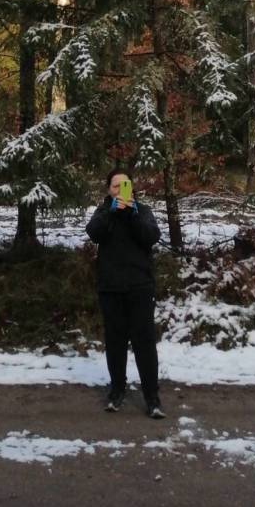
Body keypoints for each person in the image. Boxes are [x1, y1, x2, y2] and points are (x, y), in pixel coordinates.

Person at [85, 168, 165, 418]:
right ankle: (117, 390)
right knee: (115, 342)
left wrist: (132, 214)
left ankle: (152, 397)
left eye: (125, 185)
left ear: (132, 188)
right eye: (115, 186)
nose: (120, 190)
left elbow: (151, 236)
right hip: (111, 288)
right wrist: (111, 212)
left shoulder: (142, 211)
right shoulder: (103, 212)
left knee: (145, 344)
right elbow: (93, 232)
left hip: (140, 287)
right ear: (108, 189)